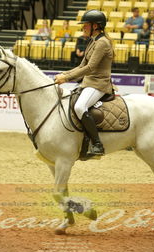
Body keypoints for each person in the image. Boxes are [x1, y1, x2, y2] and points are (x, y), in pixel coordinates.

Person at [54, 10, 114, 156]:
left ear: (96, 26)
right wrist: (64, 74)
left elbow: (90, 67)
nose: (83, 27)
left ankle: (97, 144)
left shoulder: (102, 43)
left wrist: (67, 79)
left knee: (80, 107)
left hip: (98, 84)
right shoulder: (93, 41)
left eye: (86, 25)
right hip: (88, 83)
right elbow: (81, 66)